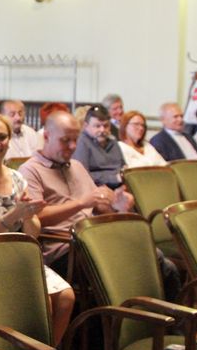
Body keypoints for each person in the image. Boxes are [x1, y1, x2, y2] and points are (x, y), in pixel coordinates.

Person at [19, 112, 181, 301]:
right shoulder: (30, 170)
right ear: (47, 136)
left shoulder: (76, 166)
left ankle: (163, 317)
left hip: (96, 236)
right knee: (136, 264)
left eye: (75, 140)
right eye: (65, 140)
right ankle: (129, 315)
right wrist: (80, 203)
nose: (72, 146)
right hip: (65, 248)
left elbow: (98, 206)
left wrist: (116, 204)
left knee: (161, 263)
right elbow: (36, 217)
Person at [0, 113, 75, 344]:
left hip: (16, 256)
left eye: (2, 137)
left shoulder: (17, 178)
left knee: (66, 297)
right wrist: (16, 214)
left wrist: (28, 216)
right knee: (43, 303)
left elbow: (32, 233)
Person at [71, 105, 126, 188]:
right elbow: (82, 176)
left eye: (106, 126)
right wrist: (114, 178)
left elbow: (123, 167)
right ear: (86, 126)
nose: (102, 130)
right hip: (95, 189)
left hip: (120, 186)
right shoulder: (81, 143)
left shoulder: (113, 142)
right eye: (97, 126)